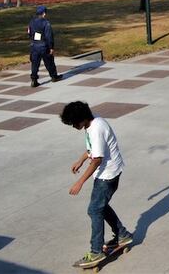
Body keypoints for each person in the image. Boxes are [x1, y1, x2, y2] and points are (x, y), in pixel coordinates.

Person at [60, 101, 133, 269]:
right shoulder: (93, 123)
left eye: (74, 123)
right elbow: (92, 150)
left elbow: (97, 160)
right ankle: (122, 235)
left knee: (94, 210)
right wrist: (81, 160)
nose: (74, 126)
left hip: (107, 176)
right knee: (100, 206)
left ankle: (96, 251)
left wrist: (80, 182)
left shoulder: (96, 129)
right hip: (110, 172)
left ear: (83, 118)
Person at [27, 5, 62, 87]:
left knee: (35, 64)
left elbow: (29, 32)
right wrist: (51, 47)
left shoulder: (32, 22)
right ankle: (54, 77)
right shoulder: (46, 23)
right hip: (44, 46)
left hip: (34, 45)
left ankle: (34, 79)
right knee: (49, 62)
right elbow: (49, 36)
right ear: (44, 13)